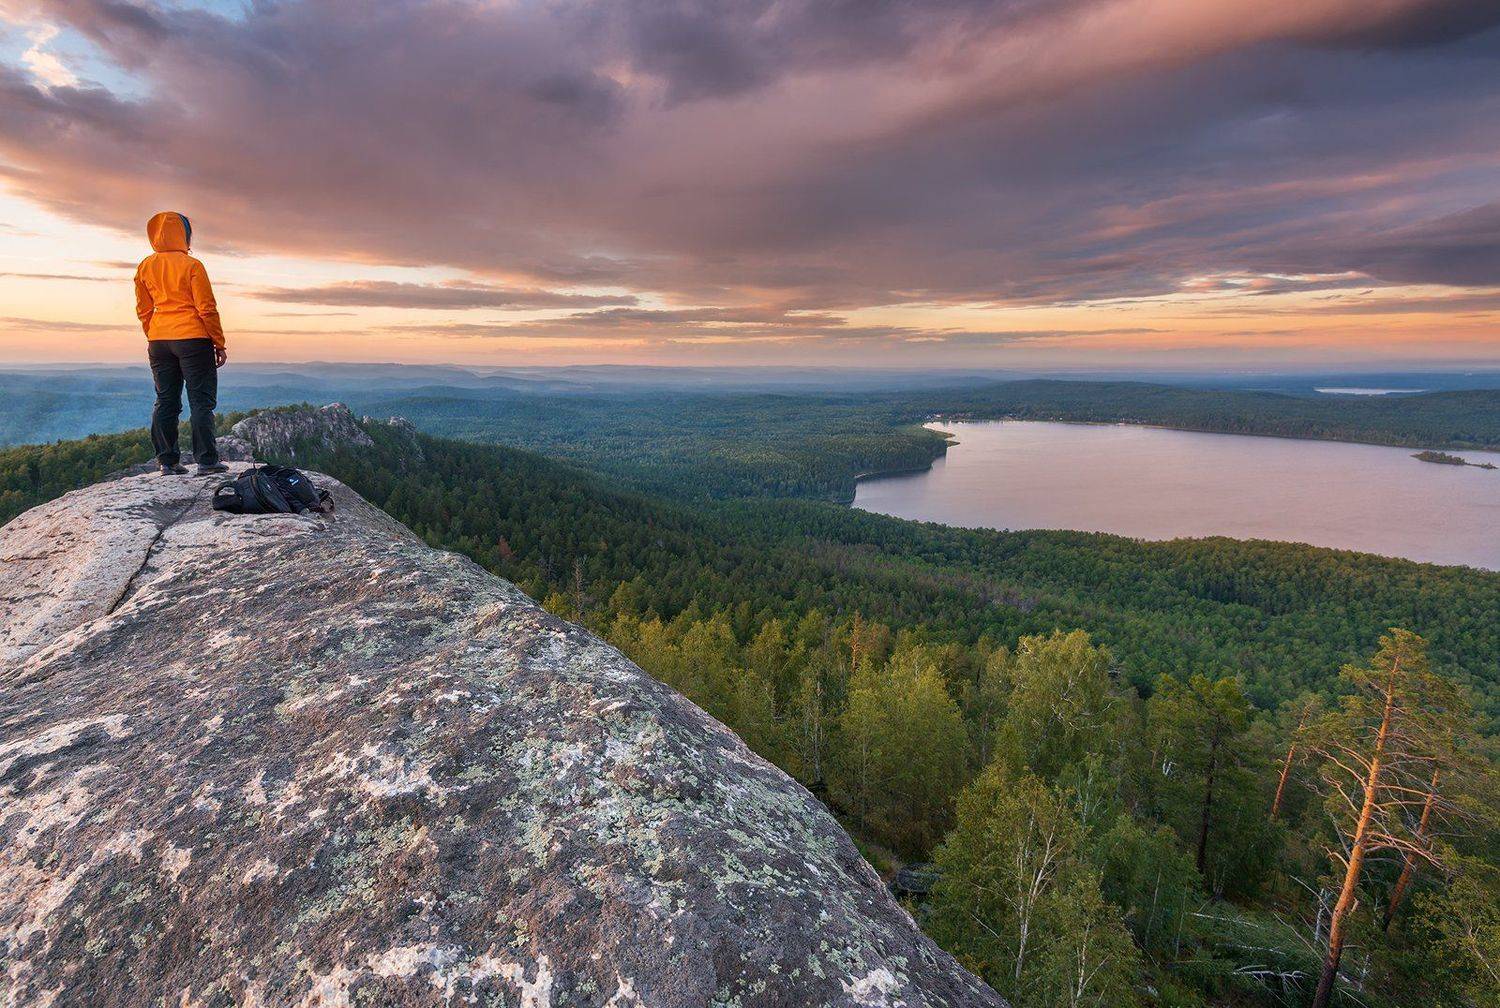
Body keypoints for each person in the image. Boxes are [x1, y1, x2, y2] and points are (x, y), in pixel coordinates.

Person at [134, 211, 228, 476]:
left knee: (165, 400)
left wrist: (153, 333)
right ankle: (207, 461)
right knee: (201, 402)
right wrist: (218, 342)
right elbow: (206, 308)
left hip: (159, 340)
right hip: (194, 338)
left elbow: (143, 309)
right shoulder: (192, 265)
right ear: (184, 234)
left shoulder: (145, 266)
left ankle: (167, 462)